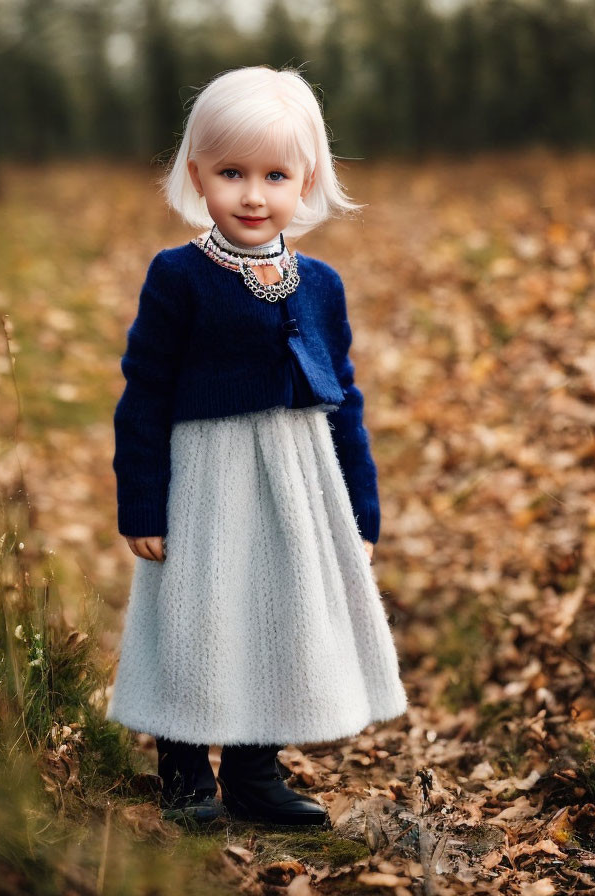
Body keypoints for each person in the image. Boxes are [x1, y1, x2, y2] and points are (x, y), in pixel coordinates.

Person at [105, 65, 408, 828]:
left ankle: (254, 770)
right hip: (206, 477)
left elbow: (344, 397)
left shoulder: (321, 283)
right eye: (231, 172)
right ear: (197, 174)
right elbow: (142, 393)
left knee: (280, 610)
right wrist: (142, 500)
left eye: (275, 175)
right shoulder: (178, 278)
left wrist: (361, 510)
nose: (252, 194)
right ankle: (184, 772)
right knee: (198, 614)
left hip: (297, 477)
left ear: (306, 180)